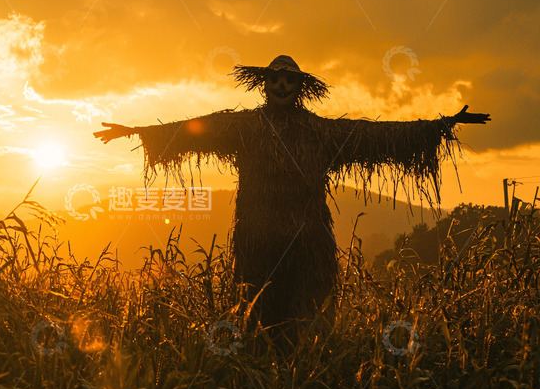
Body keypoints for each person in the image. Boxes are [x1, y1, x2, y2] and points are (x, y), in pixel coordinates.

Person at [94, 55, 490, 333]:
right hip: (257, 242)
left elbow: (379, 136)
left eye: (289, 79)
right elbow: (190, 129)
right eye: (276, 78)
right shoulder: (243, 127)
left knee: (308, 325)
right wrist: (136, 131)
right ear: (265, 84)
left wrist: (442, 124)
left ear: (300, 87)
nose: (282, 84)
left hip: (308, 246)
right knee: (256, 322)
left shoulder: (321, 133)